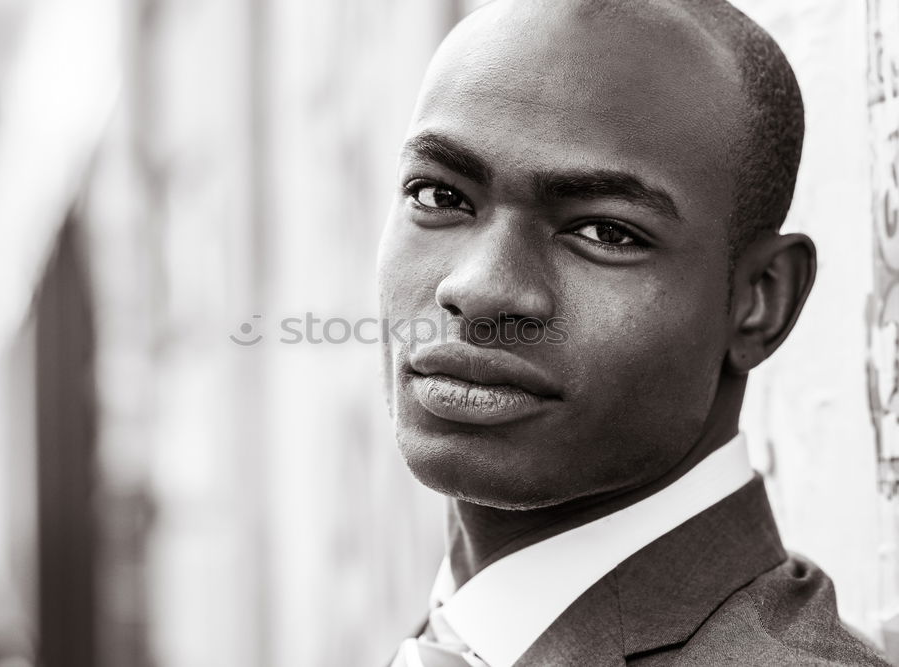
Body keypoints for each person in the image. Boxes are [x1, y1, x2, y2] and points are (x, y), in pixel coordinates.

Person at [376, 0, 893, 665]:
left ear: (760, 299)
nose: (477, 290)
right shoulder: (463, 628)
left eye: (603, 232)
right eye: (439, 195)